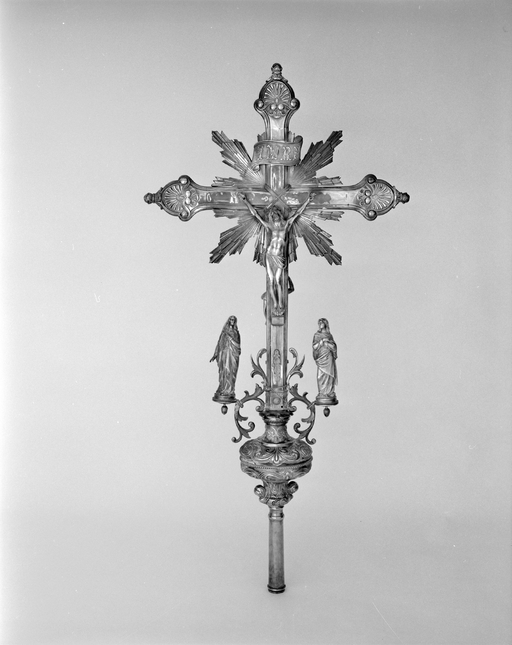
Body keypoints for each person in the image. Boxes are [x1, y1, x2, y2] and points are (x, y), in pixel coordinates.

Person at [238, 193, 312, 314]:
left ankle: (281, 304)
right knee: (271, 281)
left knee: (278, 281)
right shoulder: (270, 226)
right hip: (269, 255)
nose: (274, 216)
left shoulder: (286, 225)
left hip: (279, 257)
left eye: (276, 214)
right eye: (272, 215)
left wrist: (308, 201)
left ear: (279, 215)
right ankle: (276, 304)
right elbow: (256, 215)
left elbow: (298, 213)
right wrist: (246, 201)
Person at [210, 316, 241, 403]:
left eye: (233, 320)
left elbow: (238, 346)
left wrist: (235, 349)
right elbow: (219, 344)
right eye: (231, 319)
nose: (232, 321)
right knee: (225, 370)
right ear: (228, 321)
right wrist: (215, 354)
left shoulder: (236, 333)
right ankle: (223, 389)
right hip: (225, 354)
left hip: (233, 355)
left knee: (232, 371)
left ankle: (230, 390)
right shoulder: (224, 333)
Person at [312, 318, 338, 403]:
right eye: (319, 323)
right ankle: (322, 393)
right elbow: (314, 347)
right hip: (321, 357)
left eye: (322, 323)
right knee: (320, 376)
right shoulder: (317, 335)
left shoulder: (329, 335)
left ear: (325, 324)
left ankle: (329, 392)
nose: (320, 325)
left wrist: (327, 343)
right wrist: (321, 342)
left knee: (329, 375)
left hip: (329, 357)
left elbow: (334, 346)